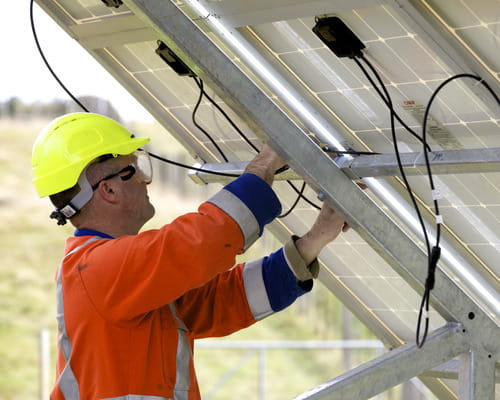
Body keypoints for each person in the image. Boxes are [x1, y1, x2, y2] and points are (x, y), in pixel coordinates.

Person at [32, 112, 349, 400]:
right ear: (108, 190)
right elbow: (201, 241)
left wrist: (314, 239)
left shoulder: (116, 277)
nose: (146, 179)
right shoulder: (97, 268)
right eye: (136, 168)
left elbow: (221, 300)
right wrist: (264, 164)